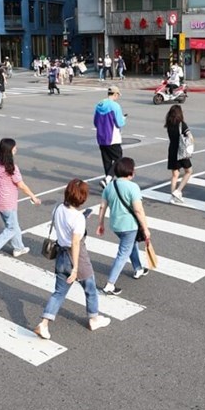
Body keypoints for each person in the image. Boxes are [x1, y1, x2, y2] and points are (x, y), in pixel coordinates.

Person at [33, 179, 111, 340]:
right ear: (82, 198)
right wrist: (75, 268)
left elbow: (63, 222)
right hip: (76, 257)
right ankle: (94, 319)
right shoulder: (78, 219)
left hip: (60, 254)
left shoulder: (57, 208)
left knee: (59, 293)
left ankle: (44, 323)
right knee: (90, 288)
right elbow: (75, 242)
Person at [96, 157, 151, 296]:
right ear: (130, 172)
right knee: (123, 253)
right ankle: (110, 284)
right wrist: (145, 228)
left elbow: (102, 206)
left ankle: (138, 268)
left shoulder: (110, 186)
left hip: (115, 225)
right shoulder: (133, 187)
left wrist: (100, 223)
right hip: (129, 225)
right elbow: (138, 210)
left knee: (130, 245)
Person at [0, 138, 41, 263]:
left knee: (13, 225)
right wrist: (33, 197)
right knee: (12, 228)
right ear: (9, 150)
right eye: (14, 147)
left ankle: (18, 248)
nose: (16, 149)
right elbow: (21, 185)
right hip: (7, 202)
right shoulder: (11, 168)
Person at [94, 86, 127, 190]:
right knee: (119, 159)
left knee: (107, 160)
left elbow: (95, 122)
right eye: (118, 95)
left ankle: (108, 183)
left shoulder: (99, 104)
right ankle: (107, 179)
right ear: (115, 94)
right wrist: (124, 118)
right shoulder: (115, 106)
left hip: (101, 137)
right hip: (112, 137)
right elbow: (119, 123)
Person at [165, 105, 193, 204]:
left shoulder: (169, 124)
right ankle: (178, 190)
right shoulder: (182, 124)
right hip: (181, 151)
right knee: (189, 171)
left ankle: (172, 196)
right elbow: (190, 137)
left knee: (174, 175)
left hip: (172, 150)